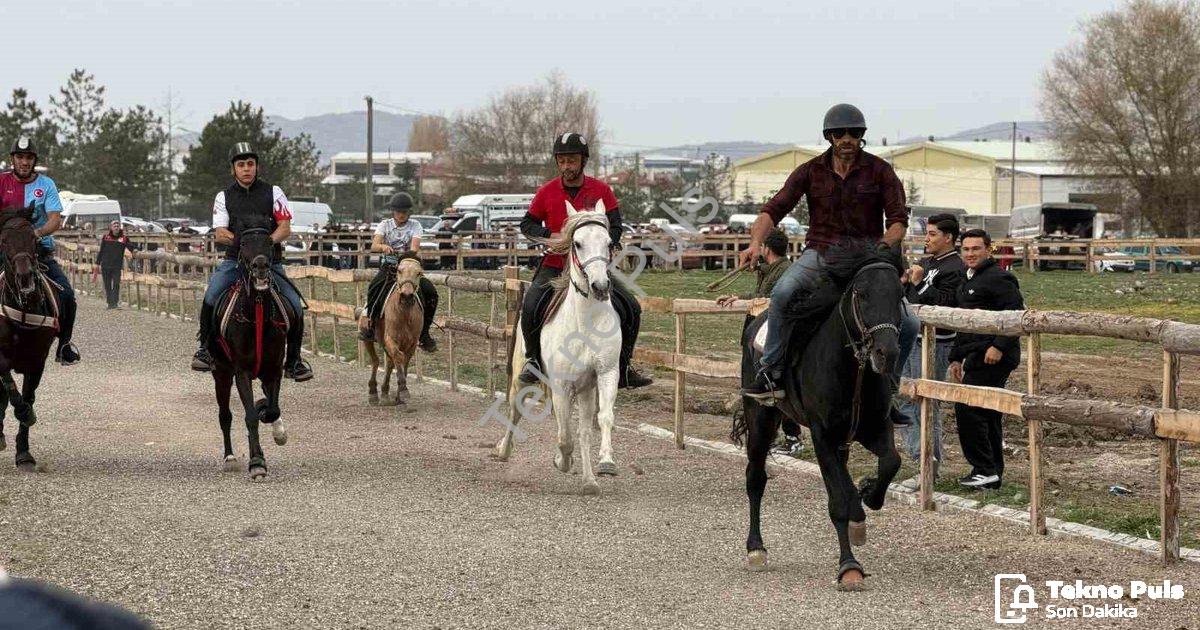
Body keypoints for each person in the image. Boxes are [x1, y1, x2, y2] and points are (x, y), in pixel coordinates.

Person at [737, 104, 916, 422]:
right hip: (820, 253)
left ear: (861, 136)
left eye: (854, 133)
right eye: (839, 133)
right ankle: (771, 373)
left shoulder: (880, 171)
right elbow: (773, 210)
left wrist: (884, 246)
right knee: (781, 294)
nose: (847, 138)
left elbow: (898, 220)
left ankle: (888, 390)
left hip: (866, 258)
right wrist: (755, 243)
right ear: (829, 137)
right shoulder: (810, 171)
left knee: (911, 324)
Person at [516, 132, 652, 389]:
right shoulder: (546, 192)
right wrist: (549, 236)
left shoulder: (601, 190)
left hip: (592, 267)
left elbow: (615, 224)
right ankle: (533, 361)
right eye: (563, 161)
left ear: (583, 161)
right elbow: (527, 224)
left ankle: (624, 366)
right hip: (556, 266)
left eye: (572, 160)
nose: (567, 166)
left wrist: (606, 241)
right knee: (532, 304)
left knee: (631, 306)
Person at [190, 142, 313, 382]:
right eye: (241, 164)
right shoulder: (223, 196)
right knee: (211, 296)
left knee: (296, 306)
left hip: (270, 263)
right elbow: (220, 232)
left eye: (250, 164)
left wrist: (265, 245)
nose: (246, 169)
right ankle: (205, 349)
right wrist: (246, 246)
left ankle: (294, 361)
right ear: (233, 169)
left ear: (256, 166)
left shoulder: (273, 192)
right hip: (235, 262)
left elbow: (285, 228)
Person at [948, 229, 1024, 489]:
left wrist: (999, 346)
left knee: (968, 406)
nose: (970, 254)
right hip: (974, 354)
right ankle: (992, 473)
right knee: (986, 411)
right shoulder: (967, 280)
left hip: (995, 356)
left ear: (988, 249)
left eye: (976, 249)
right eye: (966, 249)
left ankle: (984, 468)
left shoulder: (1000, 278)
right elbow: (963, 323)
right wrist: (956, 358)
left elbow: (1016, 313)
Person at [718, 228, 805, 456]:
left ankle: (792, 436)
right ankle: (772, 434)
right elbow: (760, 291)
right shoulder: (772, 270)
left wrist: (746, 296)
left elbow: (769, 297)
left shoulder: (785, 272)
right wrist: (740, 296)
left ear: (766, 248)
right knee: (764, 387)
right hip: (759, 332)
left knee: (775, 383)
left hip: (771, 335)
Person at [0, 136, 80, 365]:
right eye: (20, 157)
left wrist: (35, 234)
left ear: (34, 161)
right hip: (6, 252)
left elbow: (55, 220)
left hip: (38, 251)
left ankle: (64, 345)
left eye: (28, 158)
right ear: (12, 159)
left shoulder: (46, 185)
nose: (24, 162)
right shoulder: (1, 182)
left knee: (67, 296)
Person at [898, 213, 965, 475]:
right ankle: (919, 458)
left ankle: (928, 465)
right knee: (904, 395)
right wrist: (906, 284)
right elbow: (912, 298)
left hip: (936, 342)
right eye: (927, 233)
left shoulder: (955, 267)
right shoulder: (927, 262)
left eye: (933, 234)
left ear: (948, 237)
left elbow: (947, 305)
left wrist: (919, 282)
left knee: (926, 402)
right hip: (910, 338)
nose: (927, 238)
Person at [358, 192, 439, 351]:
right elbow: (374, 245)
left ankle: (425, 332)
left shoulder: (415, 225)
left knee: (431, 292)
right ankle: (371, 325)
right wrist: (383, 247)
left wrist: (406, 256)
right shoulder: (384, 225)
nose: (402, 215)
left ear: (409, 212)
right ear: (393, 212)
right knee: (374, 287)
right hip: (389, 267)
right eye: (398, 212)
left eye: (405, 212)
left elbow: (414, 248)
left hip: (408, 269)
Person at [94, 220, 133, 309]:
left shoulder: (124, 238)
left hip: (117, 265)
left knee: (116, 284)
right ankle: (110, 303)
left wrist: (134, 250)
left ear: (119, 228)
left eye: (117, 226)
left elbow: (131, 246)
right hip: (106, 265)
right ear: (111, 227)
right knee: (107, 285)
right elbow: (101, 251)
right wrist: (97, 263)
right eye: (114, 226)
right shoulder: (106, 237)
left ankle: (115, 303)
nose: (116, 227)